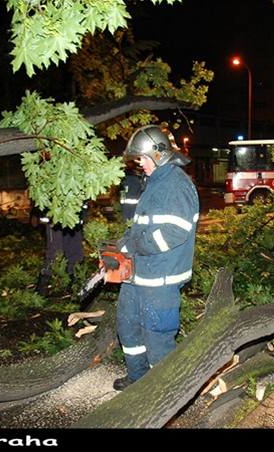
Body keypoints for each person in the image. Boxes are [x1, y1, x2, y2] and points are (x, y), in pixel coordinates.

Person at [112, 125, 199, 391]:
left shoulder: (176, 184)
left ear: (158, 154)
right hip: (140, 273)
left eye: (142, 158)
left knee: (157, 337)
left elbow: (175, 232)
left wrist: (134, 245)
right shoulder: (156, 182)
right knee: (127, 326)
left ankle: (163, 393)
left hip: (161, 278)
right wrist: (124, 244)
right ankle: (138, 379)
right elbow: (145, 227)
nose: (140, 164)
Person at [36, 202, 89, 296]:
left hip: (74, 220)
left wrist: (83, 216)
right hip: (55, 219)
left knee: (75, 252)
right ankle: (44, 285)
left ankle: (73, 283)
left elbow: (84, 202)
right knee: (55, 253)